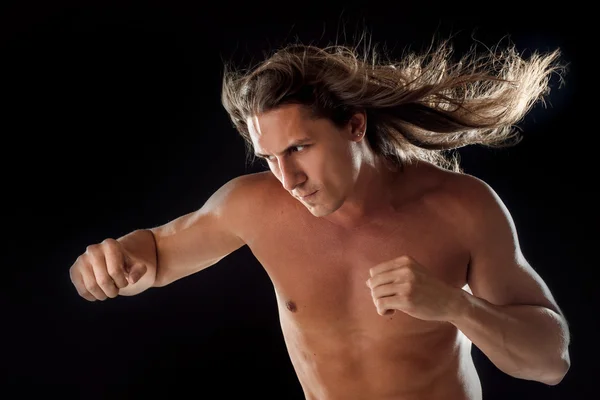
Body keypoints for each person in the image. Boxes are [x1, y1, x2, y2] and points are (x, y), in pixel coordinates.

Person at [69, 36, 571, 399]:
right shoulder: (253, 205)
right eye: (269, 158)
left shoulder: (461, 208)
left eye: (300, 148)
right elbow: (152, 255)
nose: (288, 179)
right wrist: (106, 265)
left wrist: (456, 307)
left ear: (355, 126)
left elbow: (551, 362)